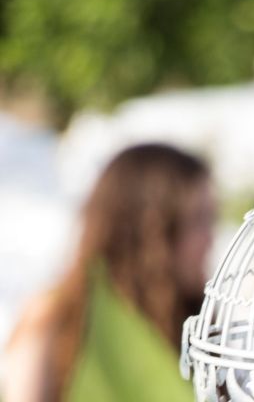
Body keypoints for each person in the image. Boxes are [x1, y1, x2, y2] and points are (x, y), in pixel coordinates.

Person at [3, 144, 215, 402]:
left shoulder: (199, 323)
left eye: (212, 219)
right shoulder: (59, 316)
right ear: (149, 231)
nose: (209, 239)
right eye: (197, 220)